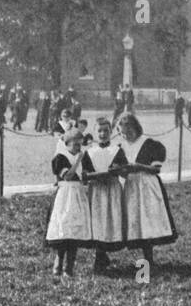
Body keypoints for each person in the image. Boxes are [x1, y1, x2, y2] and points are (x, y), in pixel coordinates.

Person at [114, 112, 178, 269]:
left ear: (136, 128)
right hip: (130, 186)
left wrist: (138, 167)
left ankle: (148, 259)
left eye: (129, 131)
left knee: (147, 220)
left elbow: (156, 169)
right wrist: (122, 171)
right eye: (123, 132)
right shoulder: (120, 147)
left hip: (147, 185)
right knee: (134, 221)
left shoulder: (149, 144)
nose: (127, 135)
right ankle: (140, 260)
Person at [46, 129, 90, 278]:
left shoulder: (83, 157)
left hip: (78, 195)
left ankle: (69, 267)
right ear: (67, 144)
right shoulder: (60, 158)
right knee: (63, 230)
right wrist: (78, 160)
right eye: (75, 144)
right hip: (65, 196)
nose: (78, 147)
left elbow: (85, 176)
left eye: (80, 144)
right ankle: (58, 264)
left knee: (74, 231)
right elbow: (69, 175)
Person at [84, 118, 126, 271]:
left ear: (111, 132)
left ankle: (104, 251)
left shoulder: (117, 150)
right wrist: (92, 176)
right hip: (96, 189)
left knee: (111, 218)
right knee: (97, 220)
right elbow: (85, 172)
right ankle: (99, 254)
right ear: (95, 133)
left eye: (106, 131)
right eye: (99, 131)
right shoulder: (90, 152)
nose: (102, 134)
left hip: (111, 189)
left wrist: (118, 169)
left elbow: (123, 169)